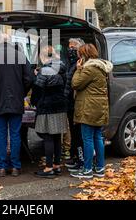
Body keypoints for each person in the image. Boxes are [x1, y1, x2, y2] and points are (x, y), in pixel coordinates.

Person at [0, 34, 32, 177]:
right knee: (15, 134)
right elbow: (29, 78)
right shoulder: (20, 55)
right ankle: (16, 166)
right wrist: (22, 91)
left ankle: (2, 167)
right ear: (10, 42)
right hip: (16, 99)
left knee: (2, 134)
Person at [70, 44, 113, 179]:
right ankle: (100, 168)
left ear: (85, 56)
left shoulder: (89, 69)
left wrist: (78, 70)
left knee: (87, 139)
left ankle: (87, 169)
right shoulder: (100, 67)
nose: (78, 57)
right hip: (99, 107)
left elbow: (75, 84)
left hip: (89, 108)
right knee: (97, 138)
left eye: (80, 54)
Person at [31, 46, 68, 178]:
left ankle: (48, 168)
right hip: (61, 106)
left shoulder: (45, 70)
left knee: (48, 137)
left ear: (44, 57)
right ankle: (57, 165)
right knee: (57, 136)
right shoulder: (63, 68)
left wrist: (33, 102)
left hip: (47, 107)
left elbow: (37, 90)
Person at [64, 38, 86, 172]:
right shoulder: (71, 63)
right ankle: (75, 157)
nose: (70, 50)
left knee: (79, 133)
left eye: (73, 48)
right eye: (69, 47)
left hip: (76, 103)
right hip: (70, 103)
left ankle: (81, 159)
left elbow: (75, 83)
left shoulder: (80, 65)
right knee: (73, 132)